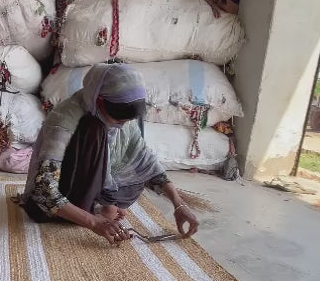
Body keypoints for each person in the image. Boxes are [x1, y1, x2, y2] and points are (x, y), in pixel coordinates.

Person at [20, 63, 199, 245]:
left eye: (126, 120)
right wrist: (93, 222)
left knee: (136, 173)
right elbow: (43, 190)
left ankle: (100, 205)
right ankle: (89, 209)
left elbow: (146, 163)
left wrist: (179, 204)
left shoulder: (123, 118)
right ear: (99, 101)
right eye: (118, 118)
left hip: (91, 195)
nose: (121, 125)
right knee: (94, 128)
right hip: (51, 203)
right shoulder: (65, 119)